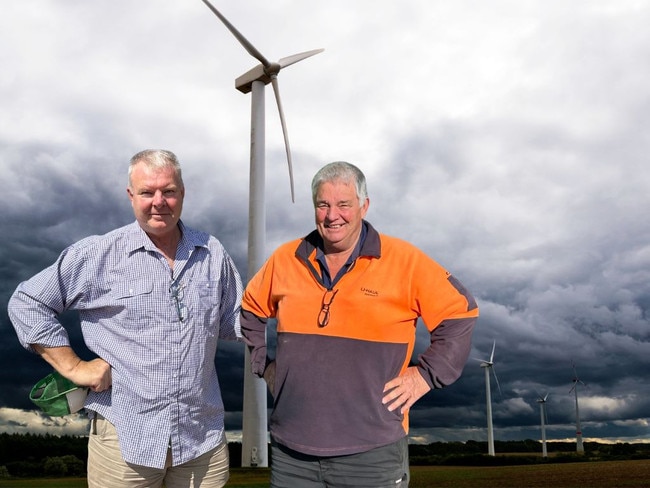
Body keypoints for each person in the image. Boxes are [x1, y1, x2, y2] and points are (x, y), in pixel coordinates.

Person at [8, 149, 243, 488]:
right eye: (147, 192)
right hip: (125, 440)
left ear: (183, 193)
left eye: (169, 191)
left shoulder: (212, 252)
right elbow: (27, 302)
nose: (159, 201)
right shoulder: (98, 254)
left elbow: (234, 321)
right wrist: (74, 367)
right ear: (131, 196)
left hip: (201, 442)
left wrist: (289, 311)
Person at [240, 161, 479, 487]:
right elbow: (250, 310)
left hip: (373, 454)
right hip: (290, 453)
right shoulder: (286, 258)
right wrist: (263, 366)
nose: (332, 215)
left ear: (364, 206)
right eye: (323, 205)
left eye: (344, 204)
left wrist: (426, 375)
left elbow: (460, 311)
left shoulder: (403, 261)